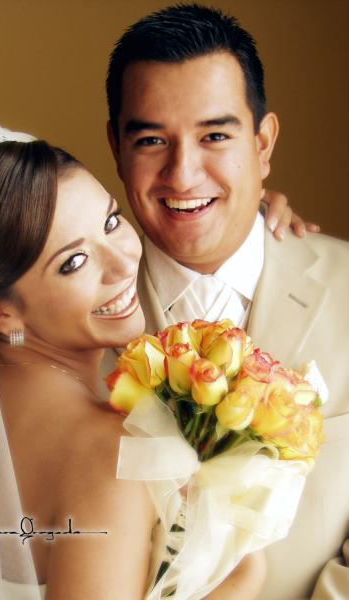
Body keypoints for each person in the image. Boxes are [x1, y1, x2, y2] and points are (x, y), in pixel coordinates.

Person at [0, 112, 271, 600]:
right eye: (74, 262)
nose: (122, 262)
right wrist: (244, 577)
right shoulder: (109, 450)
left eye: (112, 221)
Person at [104, 4, 349, 599]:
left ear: (263, 143)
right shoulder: (69, 318)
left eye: (215, 135)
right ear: (116, 146)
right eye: (152, 139)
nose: (183, 174)